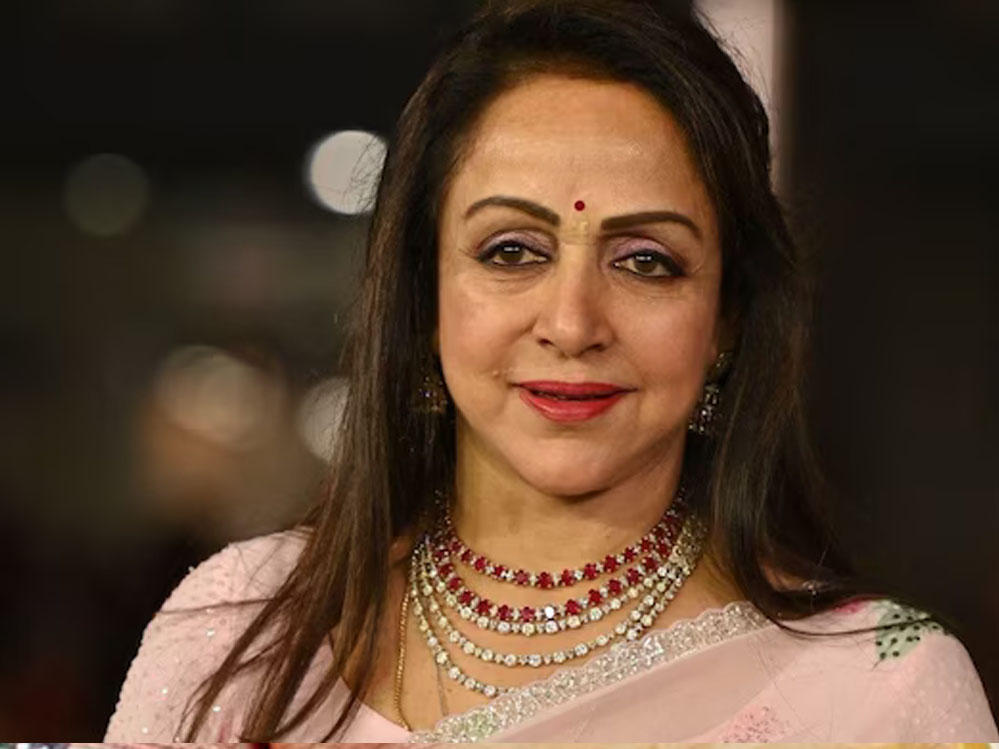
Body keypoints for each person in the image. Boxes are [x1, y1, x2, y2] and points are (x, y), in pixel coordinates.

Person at [105, 0, 998, 742]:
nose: (572, 323)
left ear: (726, 320)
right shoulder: (243, 628)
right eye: (511, 250)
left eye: (646, 260)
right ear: (425, 295)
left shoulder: (876, 692)